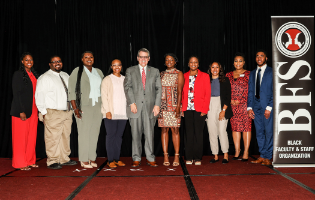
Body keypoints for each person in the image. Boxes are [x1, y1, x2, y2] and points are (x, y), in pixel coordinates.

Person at [35, 55, 77, 170]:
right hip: (52, 112)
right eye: (54, 62)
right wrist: (43, 112)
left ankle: (64, 158)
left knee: (65, 136)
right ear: (50, 64)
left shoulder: (65, 75)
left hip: (67, 111)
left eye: (59, 61)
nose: (57, 63)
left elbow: (71, 92)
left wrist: (73, 109)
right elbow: (39, 95)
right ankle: (52, 160)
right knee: (52, 137)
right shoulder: (45, 77)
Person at [124, 48, 162, 167]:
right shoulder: (130, 70)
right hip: (135, 107)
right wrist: (132, 103)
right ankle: (136, 157)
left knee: (150, 134)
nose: (143, 59)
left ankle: (150, 157)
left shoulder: (155, 71)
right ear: (137, 58)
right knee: (135, 134)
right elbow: (127, 87)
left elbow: (159, 89)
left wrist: (157, 105)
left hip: (151, 108)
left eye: (146, 57)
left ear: (149, 58)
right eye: (141, 57)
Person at [68, 51, 104, 168]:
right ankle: (83, 159)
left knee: (94, 133)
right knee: (84, 133)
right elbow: (71, 91)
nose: (89, 59)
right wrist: (75, 108)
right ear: (82, 59)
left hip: (98, 106)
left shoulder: (98, 72)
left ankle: (91, 158)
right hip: (83, 106)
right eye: (86, 57)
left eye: (91, 57)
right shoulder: (77, 71)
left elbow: (104, 89)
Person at [10, 52, 39, 170]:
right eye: (26, 60)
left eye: (31, 60)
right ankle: (20, 163)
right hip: (21, 111)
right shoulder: (18, 74)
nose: (29, 62)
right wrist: (21, 111)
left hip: (33, 110)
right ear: (22, 62)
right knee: (20, 139)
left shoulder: (34, 75)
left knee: (31, 137)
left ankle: (30, 160)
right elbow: (16, 94)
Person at [182, 56, 210, 165]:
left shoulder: (205, 76)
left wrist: (205, 109)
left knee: (198, 134)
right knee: (188, 134)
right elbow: (182, 93)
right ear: (188, 64)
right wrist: (181, 108)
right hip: (187, 109)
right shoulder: (184, 76)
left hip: (200, 109)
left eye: (195, 62)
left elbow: (207, 94)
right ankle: (189, 157)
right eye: (191, 62)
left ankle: (198, 157)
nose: (193, 64)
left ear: (198, 64)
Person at [158, 53, 184, 167]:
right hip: (163, 106)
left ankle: (177, 155)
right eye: (167, 60)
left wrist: (178, 107)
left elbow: (179, 92)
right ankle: (165, 155)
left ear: (175, 61)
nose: (169, 61)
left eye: (171, 60)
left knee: (175, 130)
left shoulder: (179, 73)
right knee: (164, 130)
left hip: (174, 106)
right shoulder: (161, 74)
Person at [248, 50, 273, 166]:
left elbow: (275, 91)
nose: (259, 58)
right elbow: (250, 91)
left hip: (266, 106)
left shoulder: (271, 72)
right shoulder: (252, 73)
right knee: (259, 132)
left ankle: (268, 156)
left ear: (266, 58)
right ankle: (262, 155)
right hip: (255, 106)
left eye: (261, 56)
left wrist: (269, 107)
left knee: (268, 132)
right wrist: (249, 107)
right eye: (257, 56)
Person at [101, 59, 128, 168]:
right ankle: (110, 159)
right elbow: (104, 96)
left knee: (119, 137)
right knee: (111, 136)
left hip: (123, 112)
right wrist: (107, 111)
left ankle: (117, 159)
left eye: (119, 65)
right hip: (110, 113)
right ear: (111, 67)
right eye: (114, 65)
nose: (117, 67)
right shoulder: (107, 79)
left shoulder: (125, 79)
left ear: (121, 66)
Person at [226, 53, 252, 162]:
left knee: (246, 128)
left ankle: (246, 151)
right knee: (235, 128)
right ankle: (237, 151)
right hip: (232, 106)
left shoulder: (249, 74)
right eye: (236, 61)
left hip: (245, 105)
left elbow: (251, 91)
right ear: (233, 63)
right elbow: (225, 91)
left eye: (240, 61)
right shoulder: (228, 75)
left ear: (244, 62)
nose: (238, 63)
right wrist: (230, 101)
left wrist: (241, 101)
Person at [206, 62, 232, 164]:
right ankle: (215, 155)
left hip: (222, 106)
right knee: (212, 131)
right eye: (213, 67)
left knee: (222, 131)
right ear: (210, 68)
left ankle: (225, 154)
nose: (215, 69)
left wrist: (223, 110)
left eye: (217, 67)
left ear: (220, 69)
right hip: (209, 106)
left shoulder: (225, 80)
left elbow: (228, 96)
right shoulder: (207, 80)